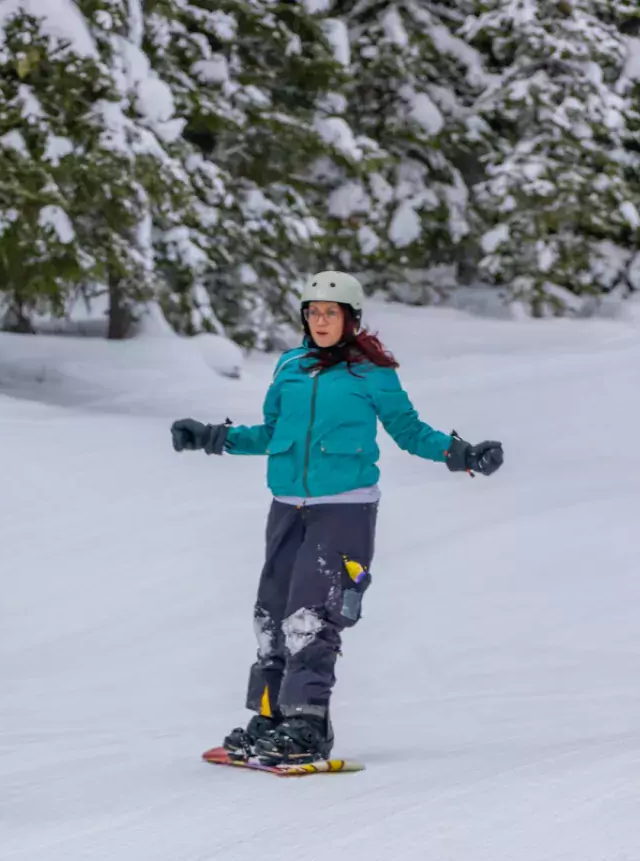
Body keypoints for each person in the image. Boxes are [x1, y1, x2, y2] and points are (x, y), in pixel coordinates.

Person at [171, 271, 503, 765]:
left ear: (350, 318)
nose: (320, 320)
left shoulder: (372, 373)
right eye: (313, 312)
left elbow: (409, 432)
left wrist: (464, 453)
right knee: (271, 614)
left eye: (330, 312)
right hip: (286, 508)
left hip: (344, 511)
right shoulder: (290, 366)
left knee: (310, 616)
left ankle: (307, 724)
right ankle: (272, 717)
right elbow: (270, 432)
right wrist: (210, 437)